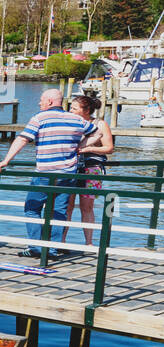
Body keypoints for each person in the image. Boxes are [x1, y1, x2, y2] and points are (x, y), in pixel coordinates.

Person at [0, 88, 97, 258]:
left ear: (49, 101)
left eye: (41, 100)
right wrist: (81, 146)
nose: (39, 103)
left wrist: (5, 161)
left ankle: (36, 247)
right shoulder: (76, 119)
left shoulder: (40, 118)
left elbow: (23, 139)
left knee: (32, 208)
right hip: (67, 174)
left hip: (45, 173)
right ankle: (52, 249)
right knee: (58, 211)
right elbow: (96, 132)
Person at [60, 93, 114, 246]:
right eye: (71, 108)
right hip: (71, 168)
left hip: (91, 169)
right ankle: (61, 241)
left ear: (86, 110)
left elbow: (109, 148)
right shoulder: (70, 123)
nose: (70, 111)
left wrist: (89, 148)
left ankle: (88, 243)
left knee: (87, 206)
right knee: (67, 205)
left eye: (74, 108)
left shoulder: (100, 124)